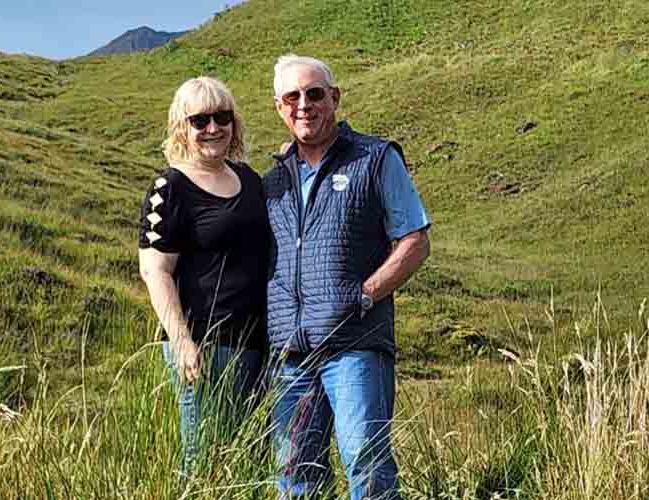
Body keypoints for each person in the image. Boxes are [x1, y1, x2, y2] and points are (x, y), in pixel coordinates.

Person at [264, 55, 431, 500]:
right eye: (292, 96)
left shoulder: (375, 158)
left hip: (354, 345)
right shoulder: (272, 182)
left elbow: (415, 240)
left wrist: (364, 295)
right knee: (295, 475)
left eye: (315, 93)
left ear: (335, 98)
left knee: (366, 463)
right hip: (290, 355)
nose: (304, 105)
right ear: (279, 107)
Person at [138, 76, 269, 474]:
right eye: (200, 120)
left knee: (252, 460)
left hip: (259, 344)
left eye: (222, 117)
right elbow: (155, 270)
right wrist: (182, 343)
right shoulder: (169, 187)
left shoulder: (250, 180)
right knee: (206, 461)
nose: (213, 128)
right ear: (183, 126)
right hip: (205, 346)